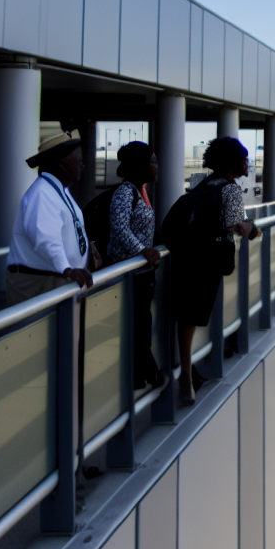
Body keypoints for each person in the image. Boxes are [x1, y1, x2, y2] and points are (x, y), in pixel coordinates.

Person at [164, 137, 260, 405]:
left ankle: (186, 373)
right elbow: (236, 225)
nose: (247, 164)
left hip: (185, 257)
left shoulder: (202, 184)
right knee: (196, 316)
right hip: (208, 260)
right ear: (234, 164)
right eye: (244, 160)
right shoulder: (230, 189)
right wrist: (253, 229)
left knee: (186, 318)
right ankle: (188, 378)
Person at [6, 129, 94, 305]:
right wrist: (67, 269)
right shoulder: (42, 193)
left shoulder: (58, 190)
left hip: (54, 279)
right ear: (61, 165)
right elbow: (46, 239)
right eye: (78, 162)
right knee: (38, 332)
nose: (81, 167)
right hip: (40, 282)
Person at [106, 141, 164, 391]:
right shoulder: (124, 193)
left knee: (142, 324)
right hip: (127, 273)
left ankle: (140, 377)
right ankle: (147, 373)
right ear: (141, 165)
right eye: (152, 161)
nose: (156, 166)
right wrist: (143, 251)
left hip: (141, 273)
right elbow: (119, 228)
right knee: (137, 326)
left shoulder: (141, 190)